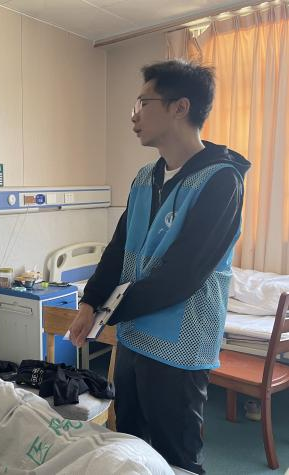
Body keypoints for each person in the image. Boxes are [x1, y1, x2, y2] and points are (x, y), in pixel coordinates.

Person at [68, 60, 250, 474]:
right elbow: (119, 248)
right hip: (134, 337)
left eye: (143, 103)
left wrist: (107, 312)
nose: (133, 116)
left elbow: (182, 275)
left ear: (180, 107)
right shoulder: (144, 178)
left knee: (176, 457)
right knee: (131, 445)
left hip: (180, 345)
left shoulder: (221, 181)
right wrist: (89, 302)